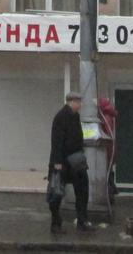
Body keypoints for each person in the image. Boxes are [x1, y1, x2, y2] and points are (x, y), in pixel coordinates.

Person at [49, 92, 93, 233]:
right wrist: (57, 162)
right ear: (71, 101)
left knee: (82, 189)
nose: (80, 105)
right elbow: (56, 140)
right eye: (78, 102)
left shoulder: (75, 116)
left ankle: (82, 220)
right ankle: (56, 223)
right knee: (57, 192)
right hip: (62, 161)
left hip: (76, 159)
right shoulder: (61, 116)